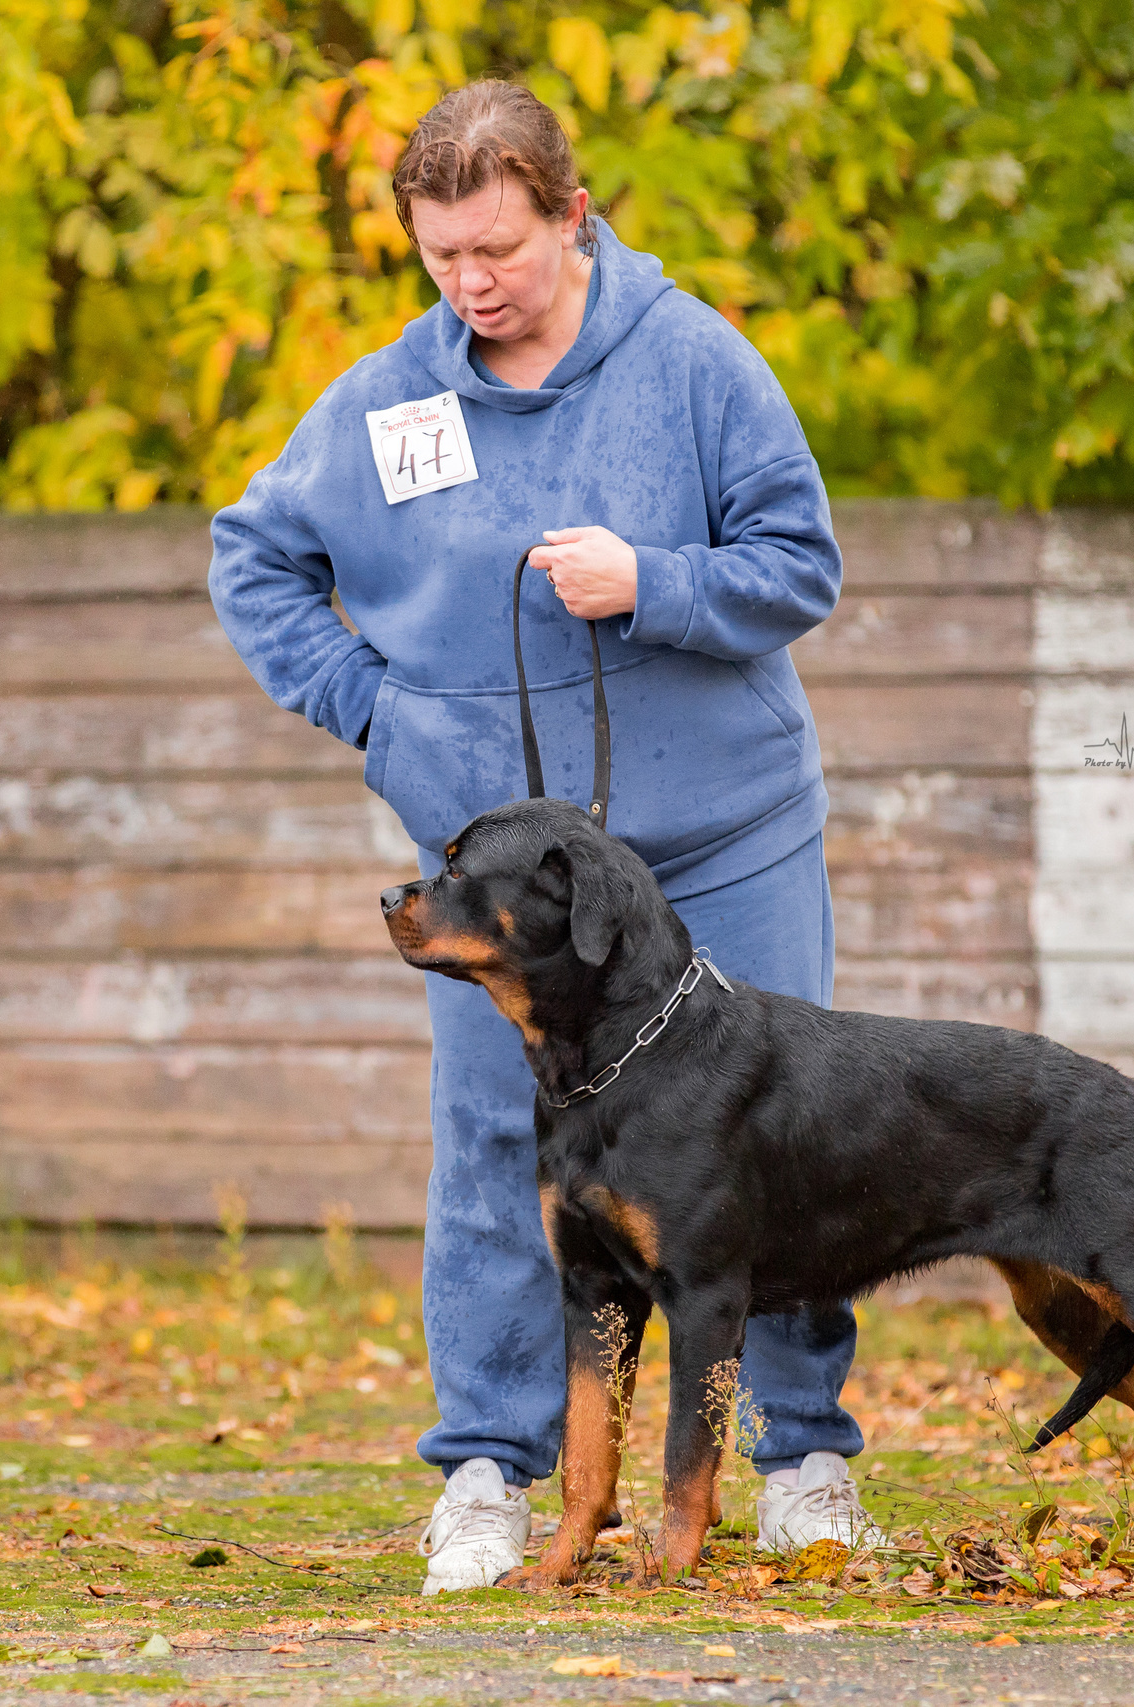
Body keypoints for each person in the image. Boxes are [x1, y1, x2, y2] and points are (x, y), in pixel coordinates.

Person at [209, 81, 883, 1592]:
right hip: (509, 893)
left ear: (573, 214)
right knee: (493, 1156)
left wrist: (653, 577)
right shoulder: (388, 406)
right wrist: (376, 712)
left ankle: (804, 1455)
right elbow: (250, 556)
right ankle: (488, 1474)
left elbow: (800, 563)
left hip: (720, 839)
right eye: (441, 254)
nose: (472, 283)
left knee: (773, 1143)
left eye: (499, 246)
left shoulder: (694, 360)